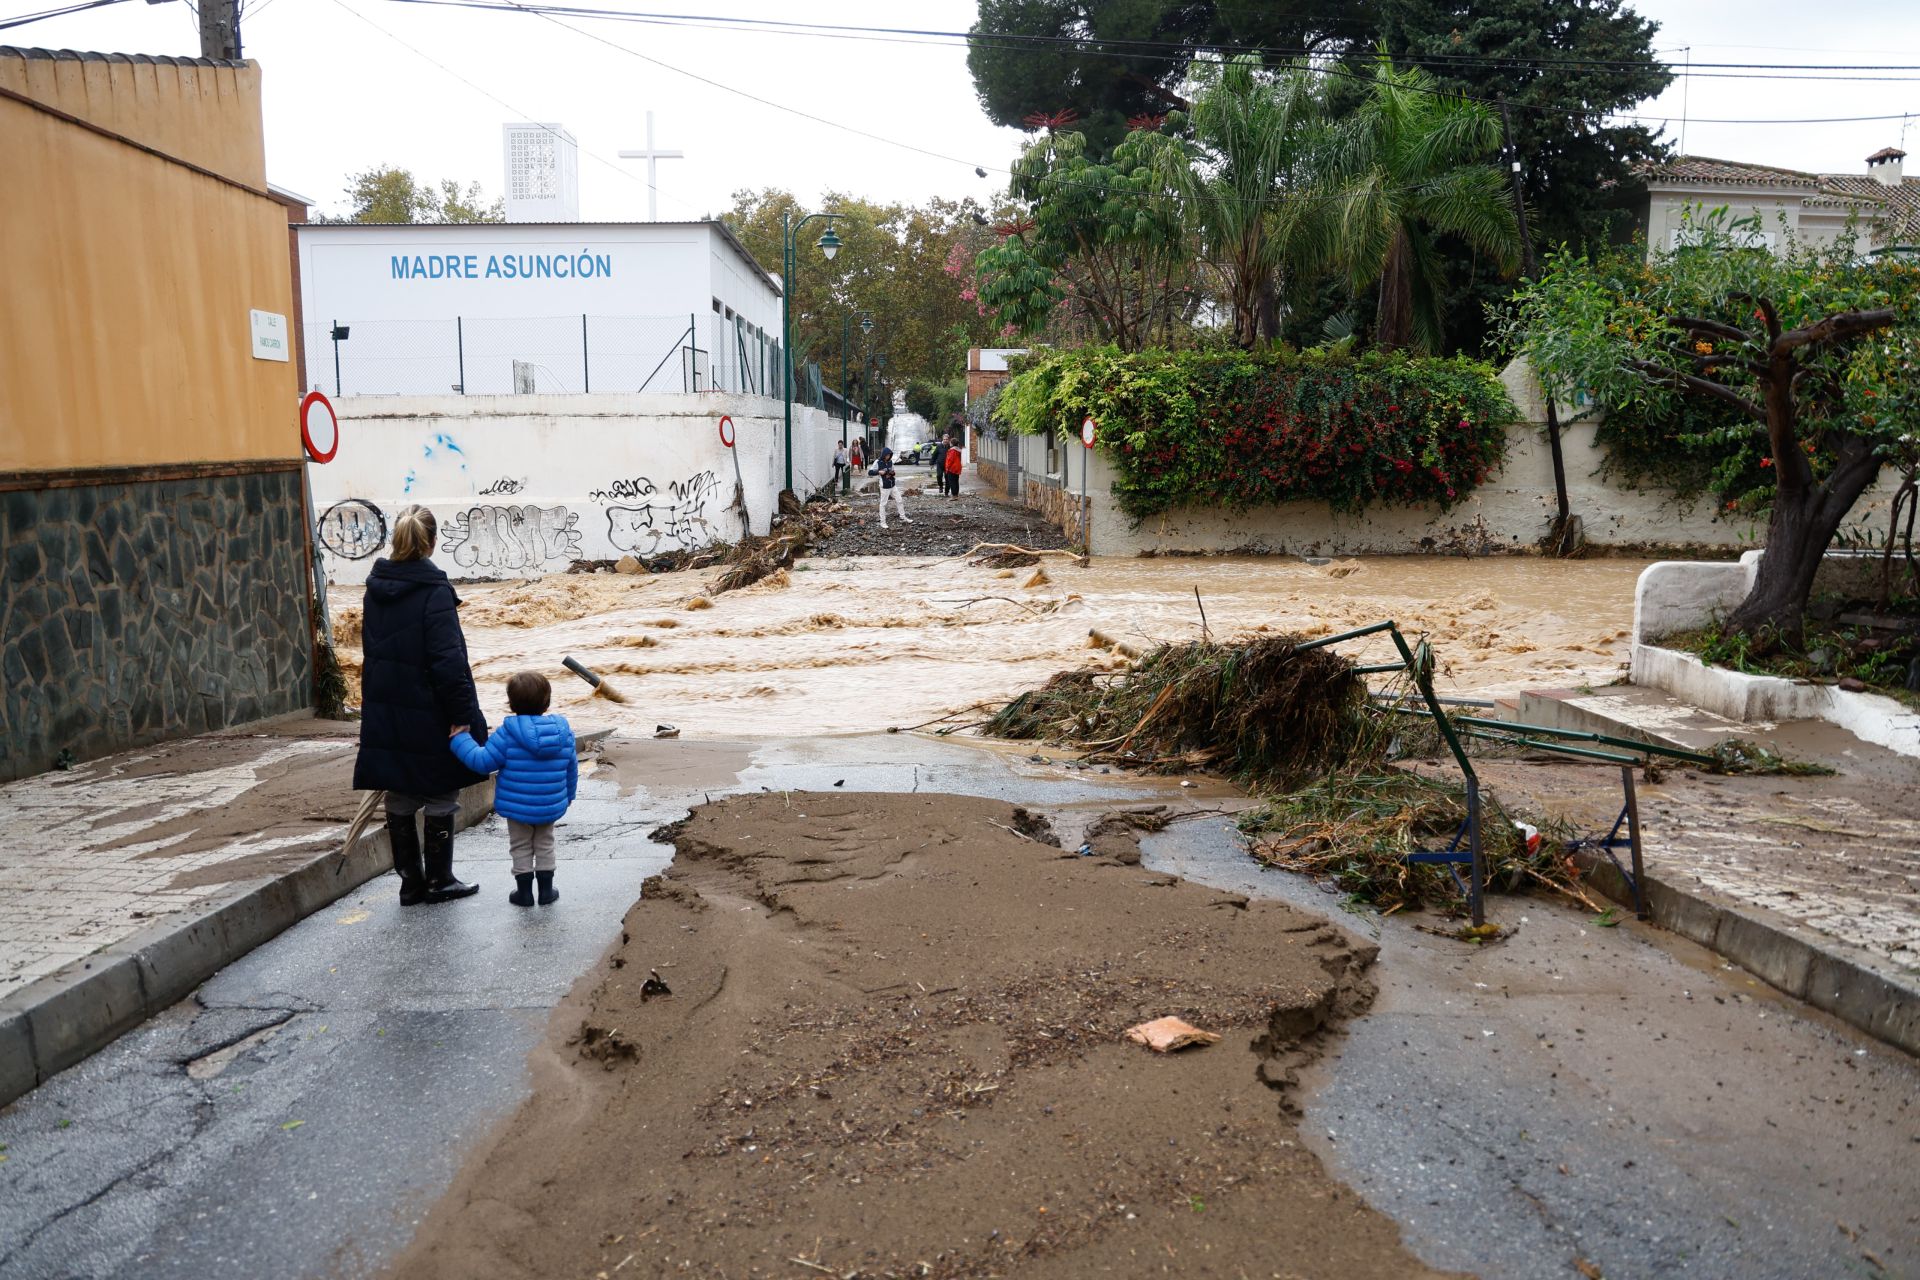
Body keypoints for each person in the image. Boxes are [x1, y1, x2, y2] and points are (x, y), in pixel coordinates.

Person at [352, 504, 489, 905]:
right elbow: (448, 660)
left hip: (386, 706)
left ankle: (410, 883)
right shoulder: (434, 592)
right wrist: (461, 715)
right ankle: (439, 880)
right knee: (441, 792)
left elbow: (372, 649)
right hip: (429, 708)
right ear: (430, 544)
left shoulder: (374, 588)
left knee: (400, 791)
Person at [449, 671, 577, 907]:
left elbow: (482, 762)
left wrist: (460, 739)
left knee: (520, 845)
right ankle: (547, 891)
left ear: (511, 704)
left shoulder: (507, 734)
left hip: (518, 807)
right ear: (547, 702)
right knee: (545, 843)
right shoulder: (563, 732)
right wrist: (569, 795)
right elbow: (571, 767)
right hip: (550, 805)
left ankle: (524, 893)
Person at [876, 446, 910, 528]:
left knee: (899, 500)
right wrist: (879, 472)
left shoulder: (890, 462)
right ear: (884, 455)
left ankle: (902, 517)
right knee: (883, 504)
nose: (888, 456)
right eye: (887, 455)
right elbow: (870, 472)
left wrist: (892, 473)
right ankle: (882, 522)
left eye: (889, 455)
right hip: (884, 486)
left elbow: (893, 471)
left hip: (892, 485)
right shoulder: (878, 462)